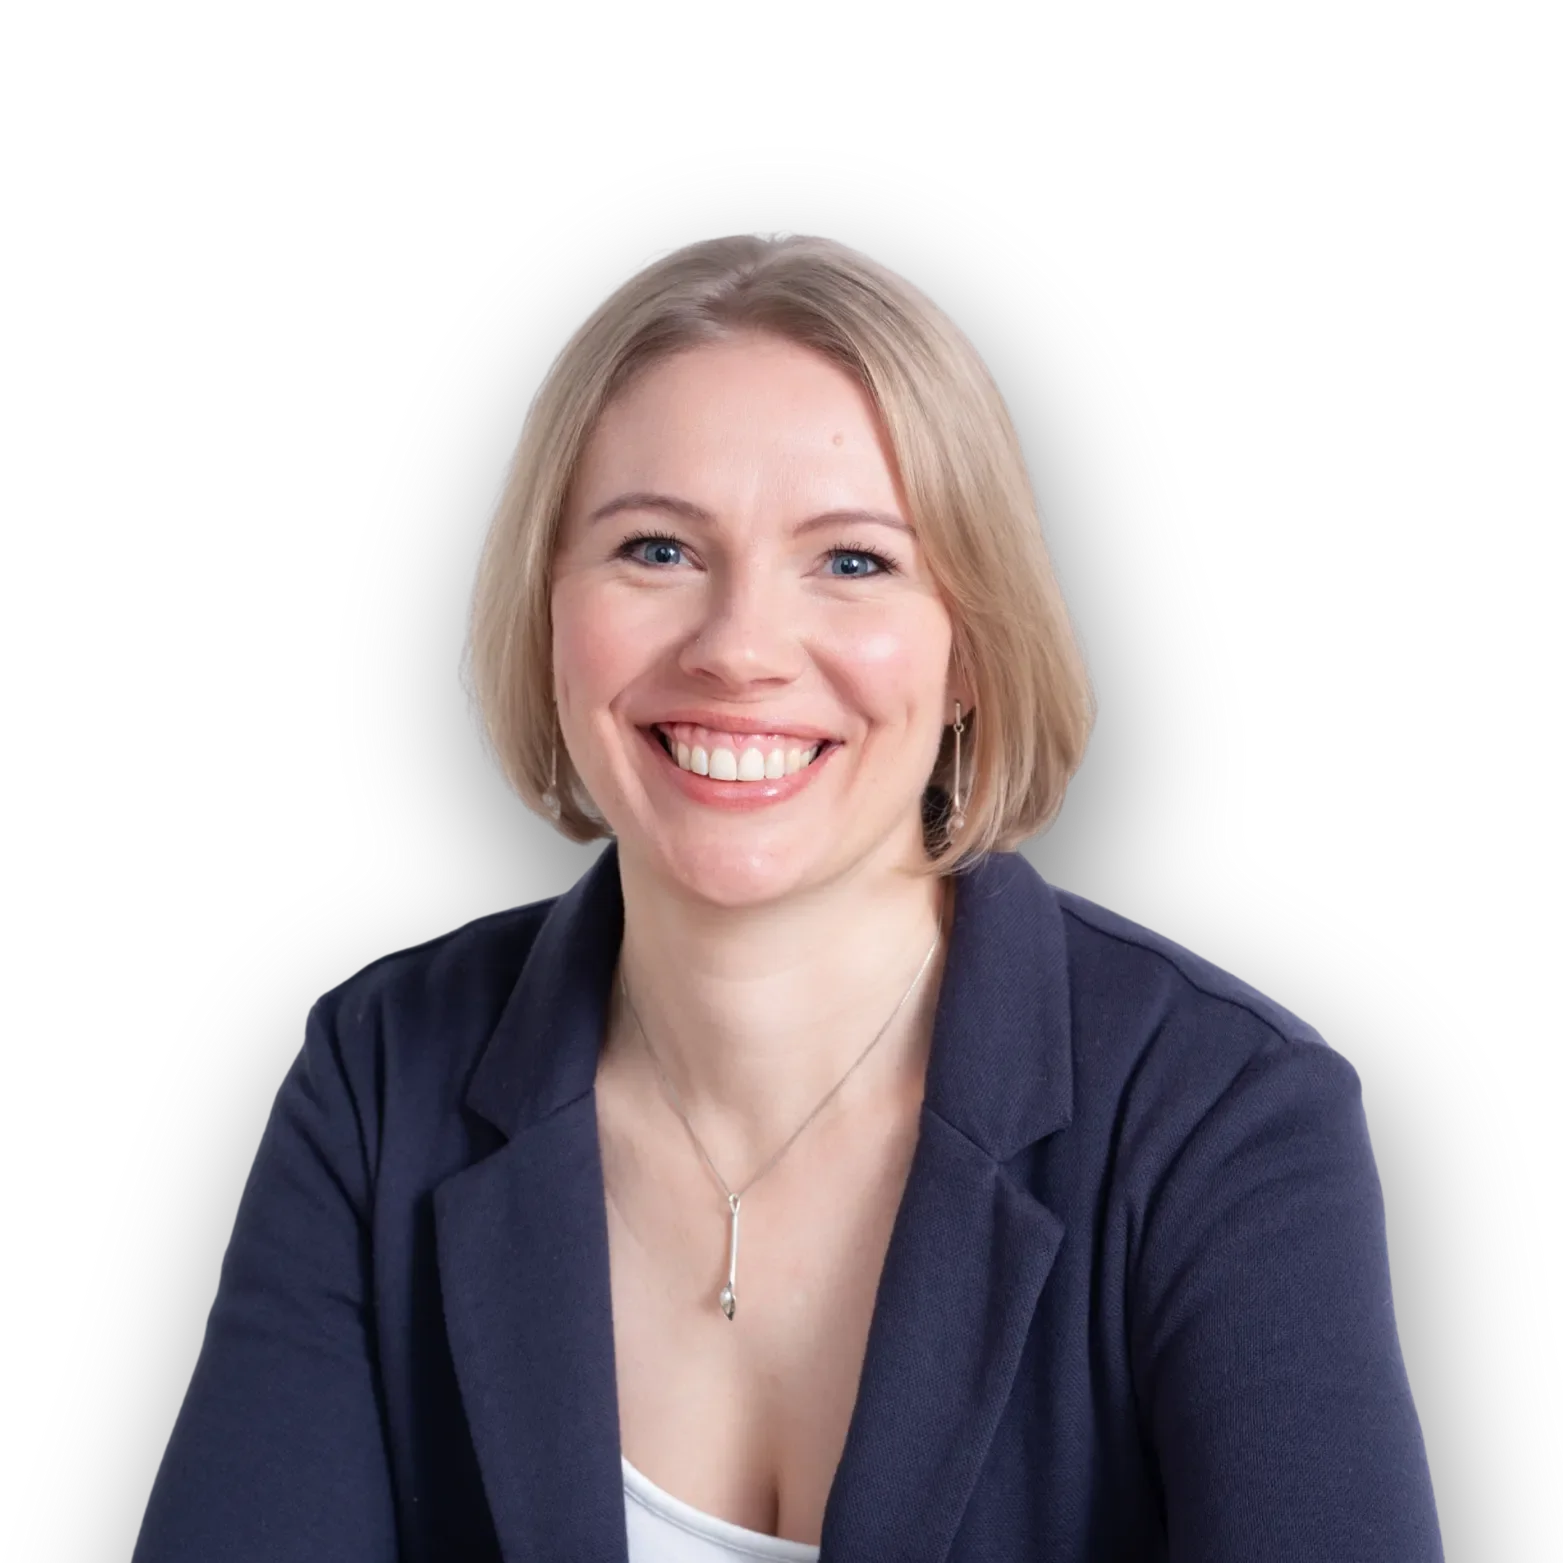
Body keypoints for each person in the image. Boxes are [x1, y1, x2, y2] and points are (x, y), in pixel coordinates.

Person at [134, 231, 1443, 1561]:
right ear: (544, 606)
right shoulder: (377, 1078)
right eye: (655, 549)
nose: (739, 650)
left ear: (973, 643)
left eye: (853, 560)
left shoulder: (1225, 1114)